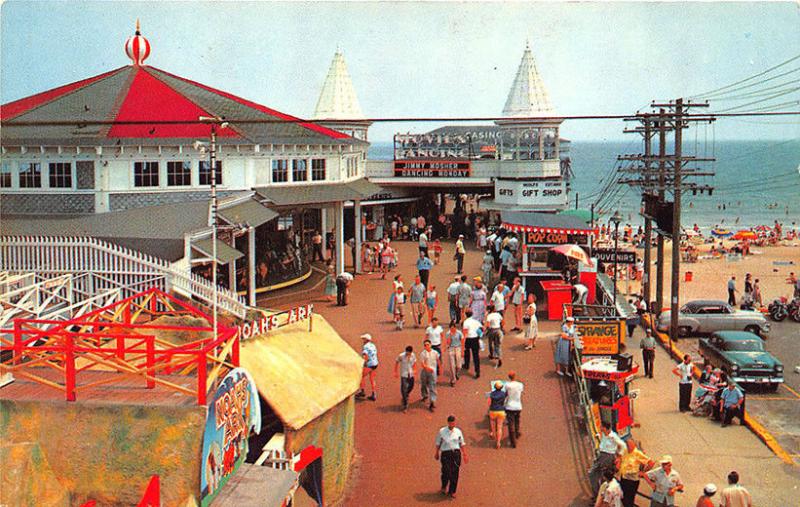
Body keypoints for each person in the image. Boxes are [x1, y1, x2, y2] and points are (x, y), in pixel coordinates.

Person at [435, 415, 468, 499]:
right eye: (450, 423)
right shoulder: (442, 431)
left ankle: (452, 491)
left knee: (455, 472)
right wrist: (436, 453)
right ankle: (444, 486)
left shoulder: (458, 431)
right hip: (446, 453)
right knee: (446, 471)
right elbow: (438, 443)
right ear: (448, 423)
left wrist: (465, 454)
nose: (452, 424)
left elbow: (462, 443)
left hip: (456, 453)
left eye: (453, 422)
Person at [588, 421, 625, 496]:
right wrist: (598, 436)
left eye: (602, 427)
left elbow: (623, 445)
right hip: (601, 456)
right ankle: (598, 494)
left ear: (606, 428)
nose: (600, 428)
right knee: (594, 474)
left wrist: (619, 457)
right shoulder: (605, 434)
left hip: (608, 457)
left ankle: (600, 495)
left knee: (599, 475)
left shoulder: (613, 436)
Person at [617, 439, 654, 507]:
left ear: (633, 445)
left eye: (629, 445)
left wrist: (643, 472)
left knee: (629, 500)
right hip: (624, 478)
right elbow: (620, 458)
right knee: (623, 497)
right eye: (627, 445)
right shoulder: (625, 451)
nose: (628, 447)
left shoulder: (637, 454)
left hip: (632, 481)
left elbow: (651, 463)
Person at [419, 339, 441, 412]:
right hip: (425, 371)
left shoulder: (435, 353)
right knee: (423, 384)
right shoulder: (423, 353)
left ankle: (432, 401)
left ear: (430, 345)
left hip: (433, 371)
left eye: (428, 344)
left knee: (432, 386)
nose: (426, 346)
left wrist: (440, 368)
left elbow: (438, 361)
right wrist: (427, 368)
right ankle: (425, 395)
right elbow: (422, 364)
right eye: (425, 345)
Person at [394, 345, 417, 412]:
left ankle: (406, 394)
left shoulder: (413, 355)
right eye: (407, 352)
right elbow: (397, 362)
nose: (408, 354)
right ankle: (405, 404)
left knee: (411, 386)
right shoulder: (401, 356)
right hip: (404, 374)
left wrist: (415, 370)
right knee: (404, 388)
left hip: (411, 373)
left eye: (409, 353)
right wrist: (395, 371)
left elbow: (415, 362)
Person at [504, 371, 524, 448]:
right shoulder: (520, 385)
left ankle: (513, 441)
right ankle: (517, 432)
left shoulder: (507, 385)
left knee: (510, 423)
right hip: (518, 405)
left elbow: (506, 393)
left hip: (509, 406)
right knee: (517, 420)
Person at [356, 334, 378, 401]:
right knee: (372, 379)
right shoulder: (373, 345)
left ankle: (362, 391)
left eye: (364, 339)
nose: (363, 340)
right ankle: (374, 394)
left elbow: (365, 355)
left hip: (369, 364)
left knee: (361, 376)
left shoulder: (365, 346)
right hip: (375, 363)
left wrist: (364, 363)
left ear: (366, 340)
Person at [461, 309, 482, 379]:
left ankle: (466, 365)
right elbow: (482, 328)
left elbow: (464, 333)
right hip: (475, 339)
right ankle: (477, 371)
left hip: (468, 339)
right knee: (476, 356)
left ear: (466, 314)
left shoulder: (465, 322)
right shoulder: (476, 321)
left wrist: (462, 344)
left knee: (467, 352)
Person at [487, 381, 507, 449]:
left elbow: (489, 403)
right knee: (499, 427)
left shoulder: (491, 394)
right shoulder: (503, 394)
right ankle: (498, 442)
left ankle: (493, 434)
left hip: (493, 411)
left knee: (493, 425)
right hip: (501, 411)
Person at [484, 304, 504, 369]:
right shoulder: (498, 314)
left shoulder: (489, 316)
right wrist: (500, 327)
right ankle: (499, 357)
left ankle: (491, 354)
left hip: (492, 330)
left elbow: (487, 325)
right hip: (498, 330)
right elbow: (503, 322)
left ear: (489, 310)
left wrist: (486, 330)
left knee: (490, 343)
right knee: (497, 345)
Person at [445, 321, 463, 386]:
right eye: (451, 328)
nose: (452, 329)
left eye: (453, 328)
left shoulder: (459, 333)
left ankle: (456, 373)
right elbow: (448, 343)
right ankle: (453, 379)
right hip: (451, 348)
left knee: (459, 365)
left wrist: (463, 350)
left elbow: (462, 341)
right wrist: (450, 336)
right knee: (452, 365)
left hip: (458, 348)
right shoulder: (448, 333)